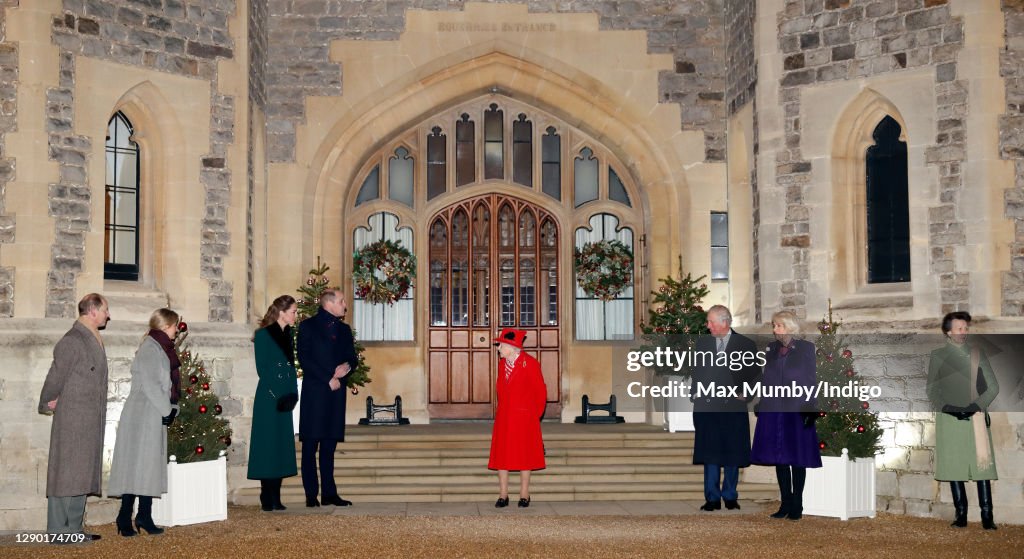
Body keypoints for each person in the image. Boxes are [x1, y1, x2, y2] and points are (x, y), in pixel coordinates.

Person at [37, 293, 111, 541]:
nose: (107, 315)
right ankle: (58, 531)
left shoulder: (93, 337)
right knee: (65, 472)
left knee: (81, 472)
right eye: (105, 311)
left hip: (90, 417)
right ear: (92, 311)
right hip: (72, 417)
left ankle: (74, 529)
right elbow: (55, 376)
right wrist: (48, 400)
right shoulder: (72, 340)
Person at [107, 308, 181, 537]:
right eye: (175, 325)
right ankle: (125, 515)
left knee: (147, 465)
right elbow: (150, 384)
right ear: (166, 325)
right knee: (137, 465)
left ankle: (144, 515)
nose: (177, 330)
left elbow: (165, 386)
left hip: (153, 412)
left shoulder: (160, 348)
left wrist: (170, 408)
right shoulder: (150, 348)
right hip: (142, 413)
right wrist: (167, 409)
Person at [927, 311, 999, 530]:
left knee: (981, 466)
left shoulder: (978, 353)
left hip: (975, 417)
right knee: (954, 465)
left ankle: (988, 517)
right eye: (959, 328)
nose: (963, 332)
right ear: (948, 331)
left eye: (965, 328)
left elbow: (993, 387)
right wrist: (947, 408)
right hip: (949, 420)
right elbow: (932, 389)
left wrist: (975, 406)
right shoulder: (938, 355)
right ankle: (961, 516)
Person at [750, 310, 821, 521]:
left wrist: (810, 406)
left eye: (778, 325)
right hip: (773, 408)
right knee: (779, 458)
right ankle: (785, 503)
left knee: (796, 458)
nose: (774, 329)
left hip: (797, 407)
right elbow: (766, 378)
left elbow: (811, 379)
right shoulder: (771, 349)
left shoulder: (806, 349)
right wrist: (761, 402)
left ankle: (797, 504)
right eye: (774, 325)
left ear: (789, 326)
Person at [691, 305, 760, 511]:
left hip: (733, 407)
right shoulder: (702, 343)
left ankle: (730, 496)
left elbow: (755, 374)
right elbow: (697, 372)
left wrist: (746, 394)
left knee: (732, 452)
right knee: (710, 454)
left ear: (725, 322)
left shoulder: (745, 344)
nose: (708, 326)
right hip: (708, 407)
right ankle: (711, 498)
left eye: (711, 322)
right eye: (708, 321)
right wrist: (694, 394)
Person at [297, 288, 357, 507]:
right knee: (310, 446)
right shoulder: (307, 326)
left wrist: (347, 366)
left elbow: (352, 356)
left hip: (336, 395)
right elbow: (305, 358)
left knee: (329, 446)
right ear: (329, 304)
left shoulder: (344, 329)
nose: (344, 305)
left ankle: (329, 493)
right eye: (341, 301)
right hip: (316, 393)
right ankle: (311, 495)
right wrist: (326, 378)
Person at [248, 295, 300, 512]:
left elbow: (289, 368)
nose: (296, 315)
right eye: (294, 311)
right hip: (269, 398)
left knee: (280, 445)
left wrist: (292, 393)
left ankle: (276, 496)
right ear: (282, 312)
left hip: (285, 396)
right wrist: (278, 394)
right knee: (267, 446)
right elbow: (264, 369)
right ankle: (266, 494)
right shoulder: (263, 335)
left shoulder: (288, 334)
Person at [488, 328, 547, 508]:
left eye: (501, 345)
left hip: (524, 417)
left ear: (512, 347)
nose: (498, 348)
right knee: (501, 456)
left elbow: (541, 392)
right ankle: (503, 495)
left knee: (525, 456)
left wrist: (532, 416)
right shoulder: (501, 365)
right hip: (505, 417)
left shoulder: (530, 363)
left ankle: (524, 494)